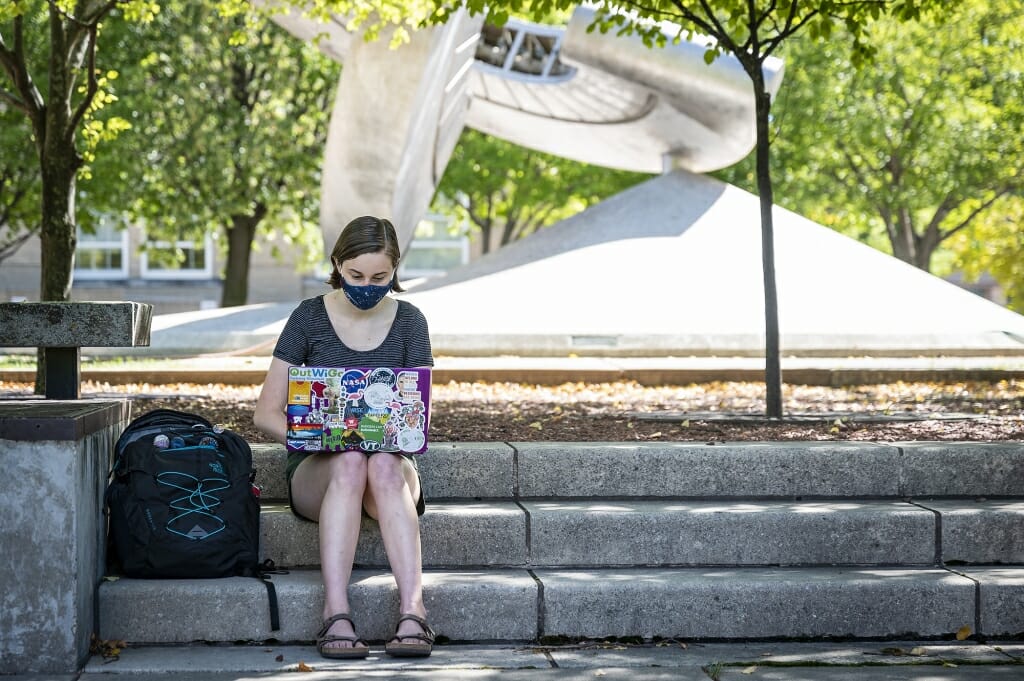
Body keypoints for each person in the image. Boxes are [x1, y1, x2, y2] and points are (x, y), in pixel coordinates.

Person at [254, 215, 435, 660]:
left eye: (381, 277)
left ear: (395, 270)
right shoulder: (308, 317)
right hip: (321, 470)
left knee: (378, 462)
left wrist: (395, 432)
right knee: (352, 460)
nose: (368, 286)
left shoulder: (410, 322)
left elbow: (418, 419)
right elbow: (265, 414)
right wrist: (322, 439)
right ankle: (336, 612)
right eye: (355, 275)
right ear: (337, 264)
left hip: (390, 471)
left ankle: (414, 610)